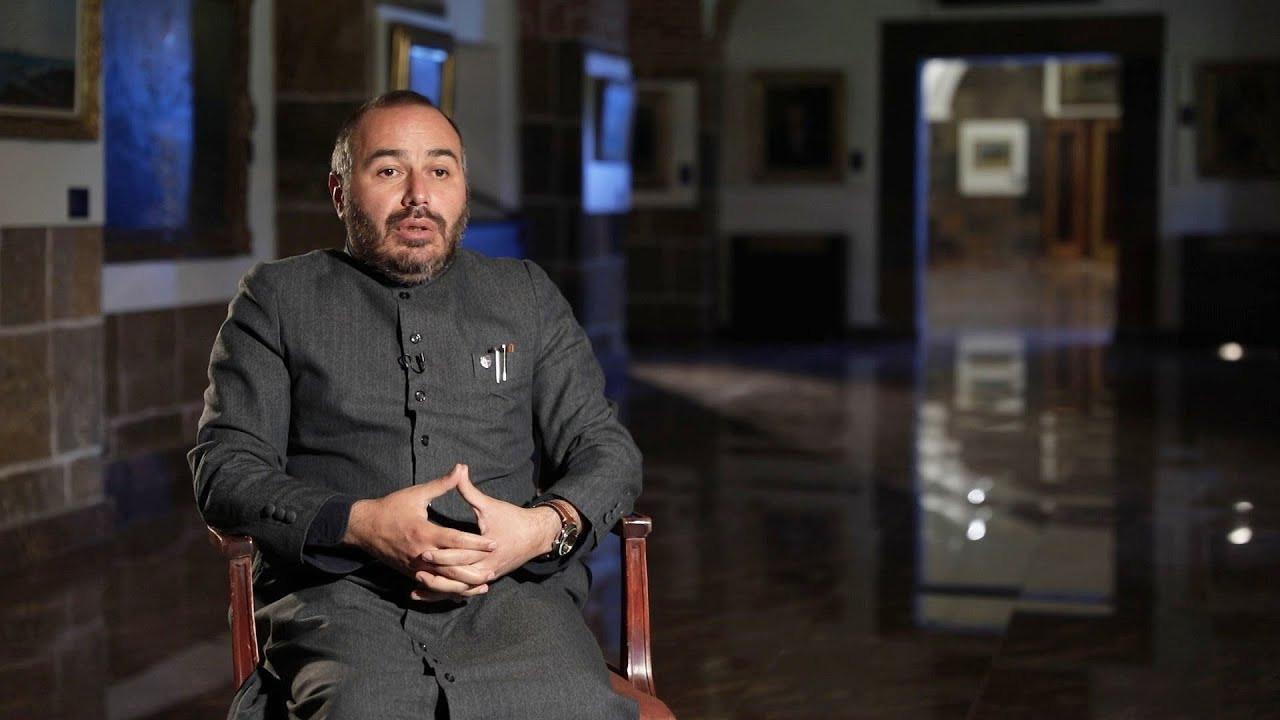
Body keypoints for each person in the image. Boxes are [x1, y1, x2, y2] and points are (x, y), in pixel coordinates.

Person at [189, 90, 642, 719]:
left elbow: (606, 448)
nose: (417, 196)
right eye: (388, 170)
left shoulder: (526, 295)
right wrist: (360, 524)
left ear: (462, 190)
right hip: (339, 600)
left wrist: (540, 528)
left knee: (572, 704)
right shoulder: (276, 299)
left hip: (512, 597)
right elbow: (224, 468)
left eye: (440, 170)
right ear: (340, 193)